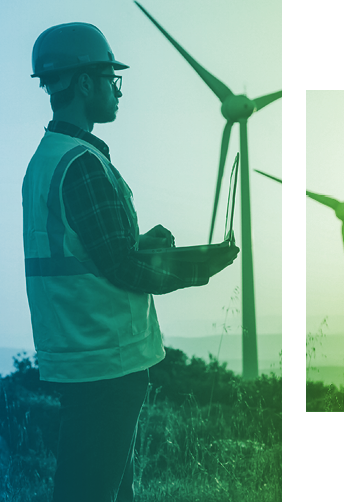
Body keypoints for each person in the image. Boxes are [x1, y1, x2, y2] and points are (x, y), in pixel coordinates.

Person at [22, 22, 239, 502]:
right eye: (110, 79)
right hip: (106, 359)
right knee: (89, 493)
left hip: (81, 354)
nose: (117, 91)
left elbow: (86, 252)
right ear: (84, 83)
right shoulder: (82, 165)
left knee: (104, 491)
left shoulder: (49, 159)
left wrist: (138, 241)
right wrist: (200, 265)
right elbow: (122, 269)